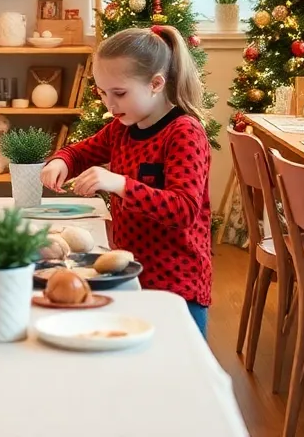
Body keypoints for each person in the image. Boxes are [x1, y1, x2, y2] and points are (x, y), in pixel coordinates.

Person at [40, 25, 213, 335]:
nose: (110, 104)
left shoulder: (184, 133)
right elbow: (80, 153)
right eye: (103, 93)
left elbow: (184, 209)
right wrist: (60, 160)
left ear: (156, 84)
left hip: (177, 286)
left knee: (178, 371)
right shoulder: (121, 128)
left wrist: (119, 183)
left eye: (119, 93)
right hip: (132, 275)